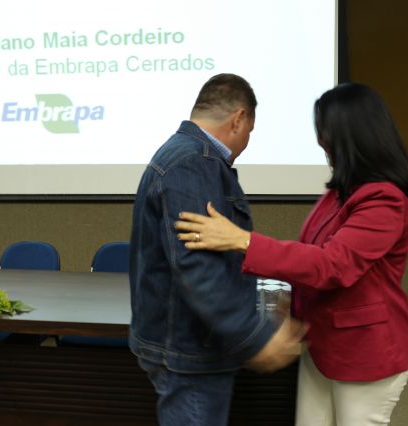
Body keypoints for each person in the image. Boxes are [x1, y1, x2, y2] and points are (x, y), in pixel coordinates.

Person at [174, 82, 408, 425]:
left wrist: (243, 241)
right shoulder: (339, 193)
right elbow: (308, 254)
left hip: (366, 350)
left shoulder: (384, 198)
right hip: (321, 342)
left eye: (324, 132)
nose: (320, 142)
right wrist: (286, 303)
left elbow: (333, 265)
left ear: (348, 134)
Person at [128, 73, 306, 426]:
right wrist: (255, 337)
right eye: (250, 131)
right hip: (190, 348)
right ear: (239, 118)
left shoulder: (180, 153)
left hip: (181, 340)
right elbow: (199, 267)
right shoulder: (195, 164)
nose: (247, 141)